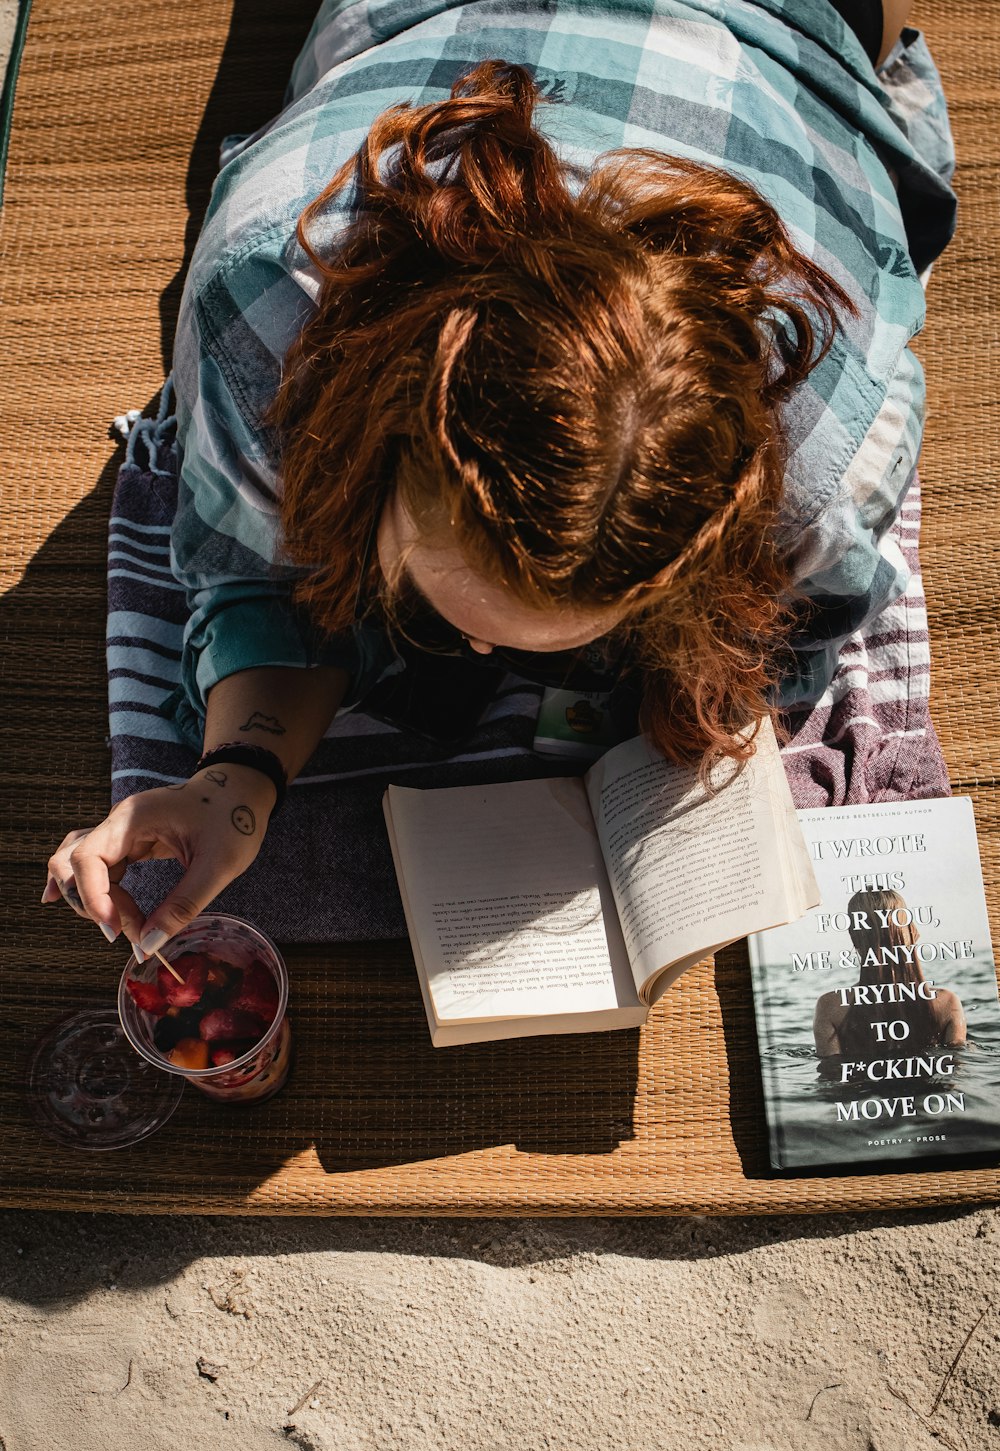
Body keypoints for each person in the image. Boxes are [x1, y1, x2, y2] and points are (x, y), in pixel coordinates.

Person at [44, 0, 957, 961]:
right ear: (375, 441)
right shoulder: (267, 316)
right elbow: (260, 572)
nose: (475, 653)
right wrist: (230, 778)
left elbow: (786, 627)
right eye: (454, 603)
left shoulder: (823, 475)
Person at [813, 889, 966, 1058]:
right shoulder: (947, 1003)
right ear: (912, 931)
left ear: (854, 938)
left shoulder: (831, 1007)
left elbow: (832, 1076)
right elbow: (955, 1073)